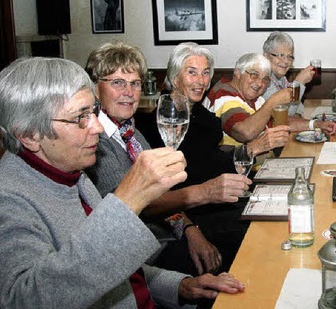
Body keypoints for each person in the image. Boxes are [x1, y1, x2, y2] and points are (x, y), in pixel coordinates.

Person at [0, 57, 244, 308]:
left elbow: (114, 271)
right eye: (80, 117)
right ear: (28, 135)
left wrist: (180, 286)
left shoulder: (72, 172)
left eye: (93, 112)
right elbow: (27, 299)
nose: (96, 126)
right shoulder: (9, 198)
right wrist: (127, 201)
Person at [84, 42, 249, 278]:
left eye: (135, 83)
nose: (129, 92)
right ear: (95, 89)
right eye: (118, 83)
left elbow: (160, 193)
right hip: (140, 253)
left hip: (168, 232)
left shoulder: (132, 133)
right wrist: (204, 194)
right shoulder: (95, 141)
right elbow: (134, 205)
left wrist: (190, 229)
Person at [135, 43, 270, 277]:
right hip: (191, 214)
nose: (200, 80)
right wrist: (191, 230)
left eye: (206, 72)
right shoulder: (157, 123)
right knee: (262, 234)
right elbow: (159, 195)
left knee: (272, 207)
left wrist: (249, 154)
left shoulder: (202, 116)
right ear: (174, 77)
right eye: (192, 72)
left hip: (214, 203)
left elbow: (211, 163)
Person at [206, 53, 335, 147]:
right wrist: (273, 101)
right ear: (238, 73)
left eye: (265, 79)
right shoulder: (224, 95)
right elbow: (244, 132)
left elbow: (279, 122)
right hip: (238, 173)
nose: (259, 83)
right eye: (254, 75)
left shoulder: (253, 97)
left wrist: (316, 124)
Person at [261, 31, 312, 117]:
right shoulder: (264, 80)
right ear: (266, 56)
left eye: (289, 56)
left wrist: (296, 113)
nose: (286, 61)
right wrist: (299, 83)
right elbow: (285, 115)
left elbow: (299, 107)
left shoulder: (281, 78)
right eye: (280, 55)